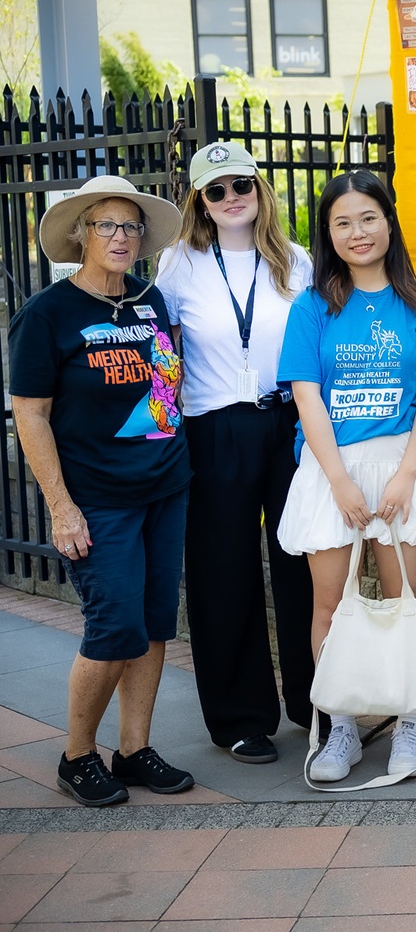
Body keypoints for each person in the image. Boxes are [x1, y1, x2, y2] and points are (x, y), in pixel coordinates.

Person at [10, 175, 193, 806]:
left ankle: (134, 749)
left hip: (165, 487)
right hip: (96, 498)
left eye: (130, 226)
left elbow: (169, 388)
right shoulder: (47, 314)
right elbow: (30, 414)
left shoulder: (152, 298)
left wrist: (169, 449)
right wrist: (62, 508)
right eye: (106, 225)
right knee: (112, 627)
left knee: (152, 623)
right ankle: (76, 756)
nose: (120, 237)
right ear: (81, 235)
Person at [277, 171, 416, 784]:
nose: (357, 232)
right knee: (330, 607)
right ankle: (341, 729)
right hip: (332, 469)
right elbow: (307, 397)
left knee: (406, 600)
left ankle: (410, 724)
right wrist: (339, 482)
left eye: (368, 218)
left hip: (401, 466)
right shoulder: (312, 306)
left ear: (389, 222)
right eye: (342, 222)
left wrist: (408, 474)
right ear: (327, 233)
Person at [157, 142, 314, 767]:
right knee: (225, 573)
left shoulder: (295, 261)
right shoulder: (179, 262)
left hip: (287, 423)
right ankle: (241, 717)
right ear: (199, 199)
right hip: (213, 426)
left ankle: (315, 704)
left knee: (302, 562)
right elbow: (158, 352)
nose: (230, 198)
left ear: (259, 188)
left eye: (240, 184)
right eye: (215, 190)